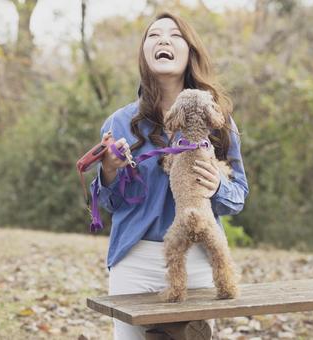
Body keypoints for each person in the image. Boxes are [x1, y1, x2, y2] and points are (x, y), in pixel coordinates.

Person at [90, 11, 249, 340]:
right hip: (134, 263)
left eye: (175, 35)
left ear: (190, 51)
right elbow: (112, 204)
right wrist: (107, 170)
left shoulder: (216, 118)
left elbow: (238, 197)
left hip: (199, 262)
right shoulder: (119, 123)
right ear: (144, 55)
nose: (164, 39)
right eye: (154, 35)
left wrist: (218, 186)